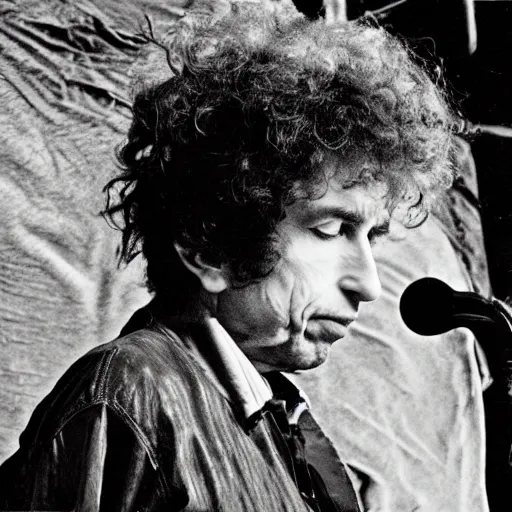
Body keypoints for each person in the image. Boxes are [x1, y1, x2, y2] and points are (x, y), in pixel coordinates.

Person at [0, 3, 456, 511]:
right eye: (331, 229)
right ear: (209, 247)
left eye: (371, 238)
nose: (368, 284)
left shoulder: (278, 417)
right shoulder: (129, 394)